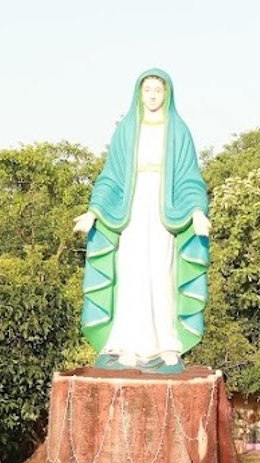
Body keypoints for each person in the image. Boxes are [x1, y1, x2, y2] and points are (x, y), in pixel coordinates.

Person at [74, 69, 210, 372]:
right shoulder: (126, 129)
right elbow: (111, 176)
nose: (151, 95)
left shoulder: (178, 131)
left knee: (161, 273)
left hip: (164, 210)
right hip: (132, 209)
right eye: (147, 90)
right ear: (139, 93)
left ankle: (166, 345)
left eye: (157, 90)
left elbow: (189, 178)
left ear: (167, 94)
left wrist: (197, 211)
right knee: (131, 273)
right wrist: (94, 211)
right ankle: (125, 345)